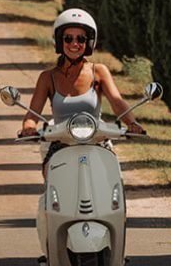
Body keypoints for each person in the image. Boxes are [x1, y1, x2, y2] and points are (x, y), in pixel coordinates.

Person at [19, 9, 146, 171]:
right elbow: (32, 113)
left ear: (89, 43)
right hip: (61, 144)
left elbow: (117, 102)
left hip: (97, 141)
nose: (74, 43)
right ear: (59, 41)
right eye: (68, 38)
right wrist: (28, 128)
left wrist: (132, 123)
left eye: (81, 38)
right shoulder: (47, 77)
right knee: (52, 177)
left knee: (113, 180)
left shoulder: (99, 71)